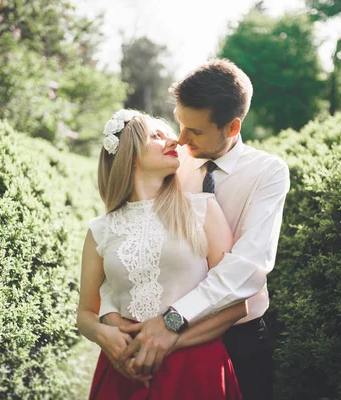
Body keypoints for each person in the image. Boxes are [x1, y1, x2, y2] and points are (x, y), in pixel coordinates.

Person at [101, 59, 290, 400]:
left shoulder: (268, 173)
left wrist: (173, 323)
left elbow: (247, 269)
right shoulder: (171, 161)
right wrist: (110, 314)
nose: (181, 139)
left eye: (196, 131)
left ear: (232, 128)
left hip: (238, 337)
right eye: (180, 124)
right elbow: (126, 236)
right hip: (157, 336)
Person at [76, 109, 246, 399]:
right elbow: (85, 313)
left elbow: (235, 304)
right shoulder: (100, 230)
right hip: (123, 370)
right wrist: (102, 334)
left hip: (195, 369)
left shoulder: (202, 209)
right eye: (157, 136)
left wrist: (169, 341)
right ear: (129, 152)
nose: (174, 142)